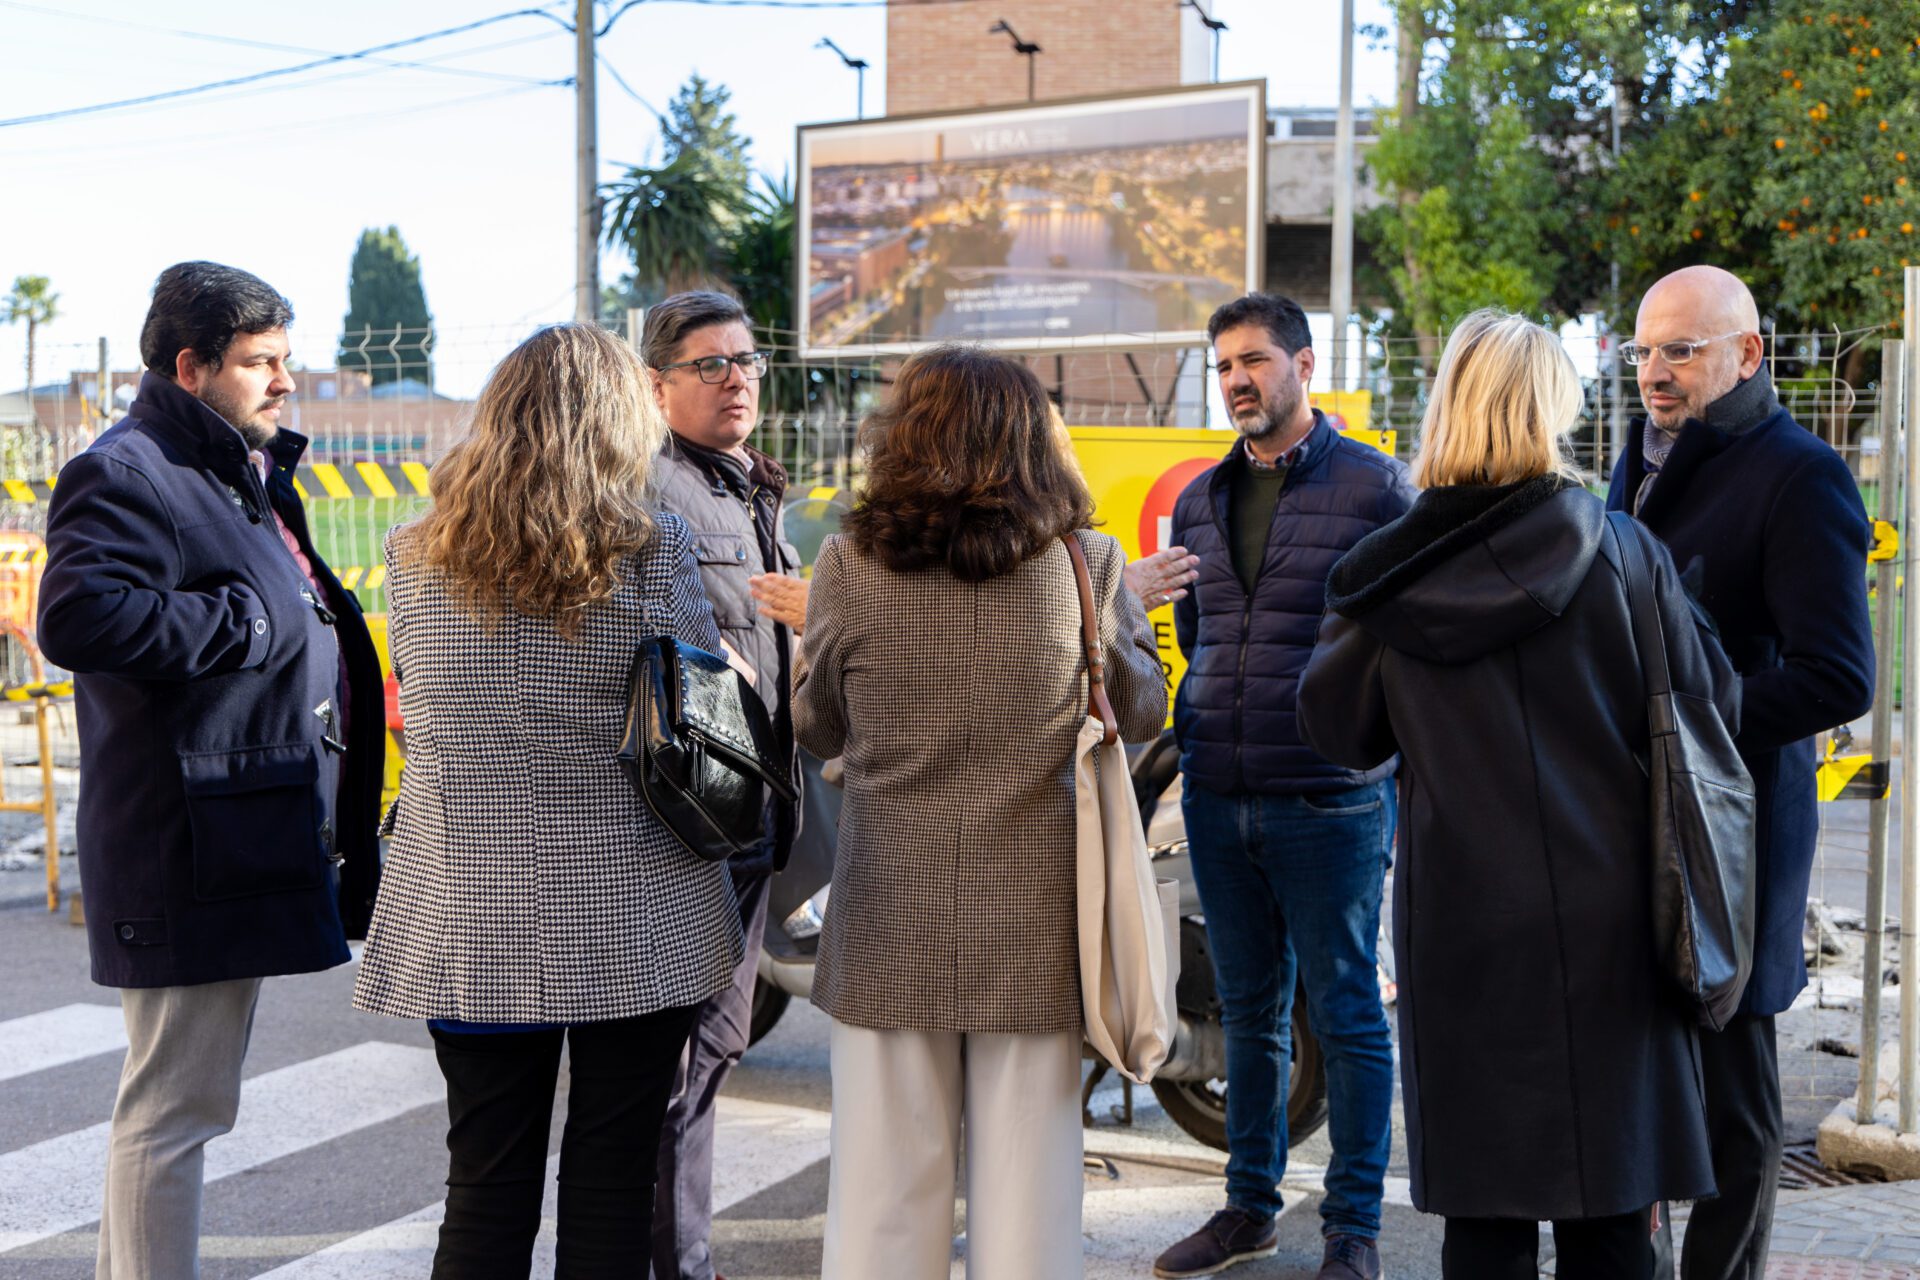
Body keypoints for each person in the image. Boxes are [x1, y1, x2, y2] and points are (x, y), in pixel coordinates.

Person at [1298, 309, 1739, 1278]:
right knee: (1617, 1217)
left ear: (1448, 407)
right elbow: (1714, 707)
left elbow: (1335, 729)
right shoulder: (1626, 554)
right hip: (1617, 924)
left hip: (1463, 930)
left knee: (1483, 1225)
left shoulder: (1389, 576)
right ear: (1552, 411)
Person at [351, 324, 744, 1278]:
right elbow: (703, 712)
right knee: (611, 1183)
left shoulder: (412, 553)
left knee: (482, 1184)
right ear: (616, 418)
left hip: (469, 906)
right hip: (631, 910)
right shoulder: (652, 547)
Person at [37, 261, 385, 1279]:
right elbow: (79, 616)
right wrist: (251, 619)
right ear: (191, 368)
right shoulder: (130, 468)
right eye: (258, 362)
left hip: (239, 829)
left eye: (288, 359)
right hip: (184, 841)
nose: (284, 381)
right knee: (173, 1107)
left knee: (182, 1103)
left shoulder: (234, 465)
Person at [794, 345, 1165, 1279]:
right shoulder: (1086, 561)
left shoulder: (846, 563)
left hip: (887, 914)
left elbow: (815, 722)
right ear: (1033, 438)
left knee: (880, 1197)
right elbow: (1143, 711)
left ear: (905, 434)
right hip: (1038, 920)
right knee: (1031, 1197)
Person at [1605, 265, 1874, 1280]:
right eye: (1644, 351)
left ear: (1748, 353)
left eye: (1683, 349)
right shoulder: (1629, 465)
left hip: (1740, 828)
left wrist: (1685, 727)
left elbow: (1838, 675)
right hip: (1632, 823)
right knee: (1642, 1081)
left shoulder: (1800, 474)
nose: (1657, 372)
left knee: (1734, 1094)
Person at [1153, 293, 1414, 1280]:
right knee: (1249, 1015)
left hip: (1333, 798)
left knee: (1347, 1013)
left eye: (1255, 361)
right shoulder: (1201, 495)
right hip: (1221, 791)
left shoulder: (1376, 488)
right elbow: (1197, 637)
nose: (1237, 382)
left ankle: (1353, 1228)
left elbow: (1403, 645)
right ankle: (1248, 1207)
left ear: (1303, 363)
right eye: (1224, 366)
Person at [639, 291, 805, 1280]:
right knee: (681, 1067)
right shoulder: (653, 488)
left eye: (746, 360)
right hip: (693, 818)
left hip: (749, 815)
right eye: (710, 364)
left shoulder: (748, 484)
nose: (736, 376)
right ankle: (678, 1263)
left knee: (710, 1055)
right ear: (658, 385)